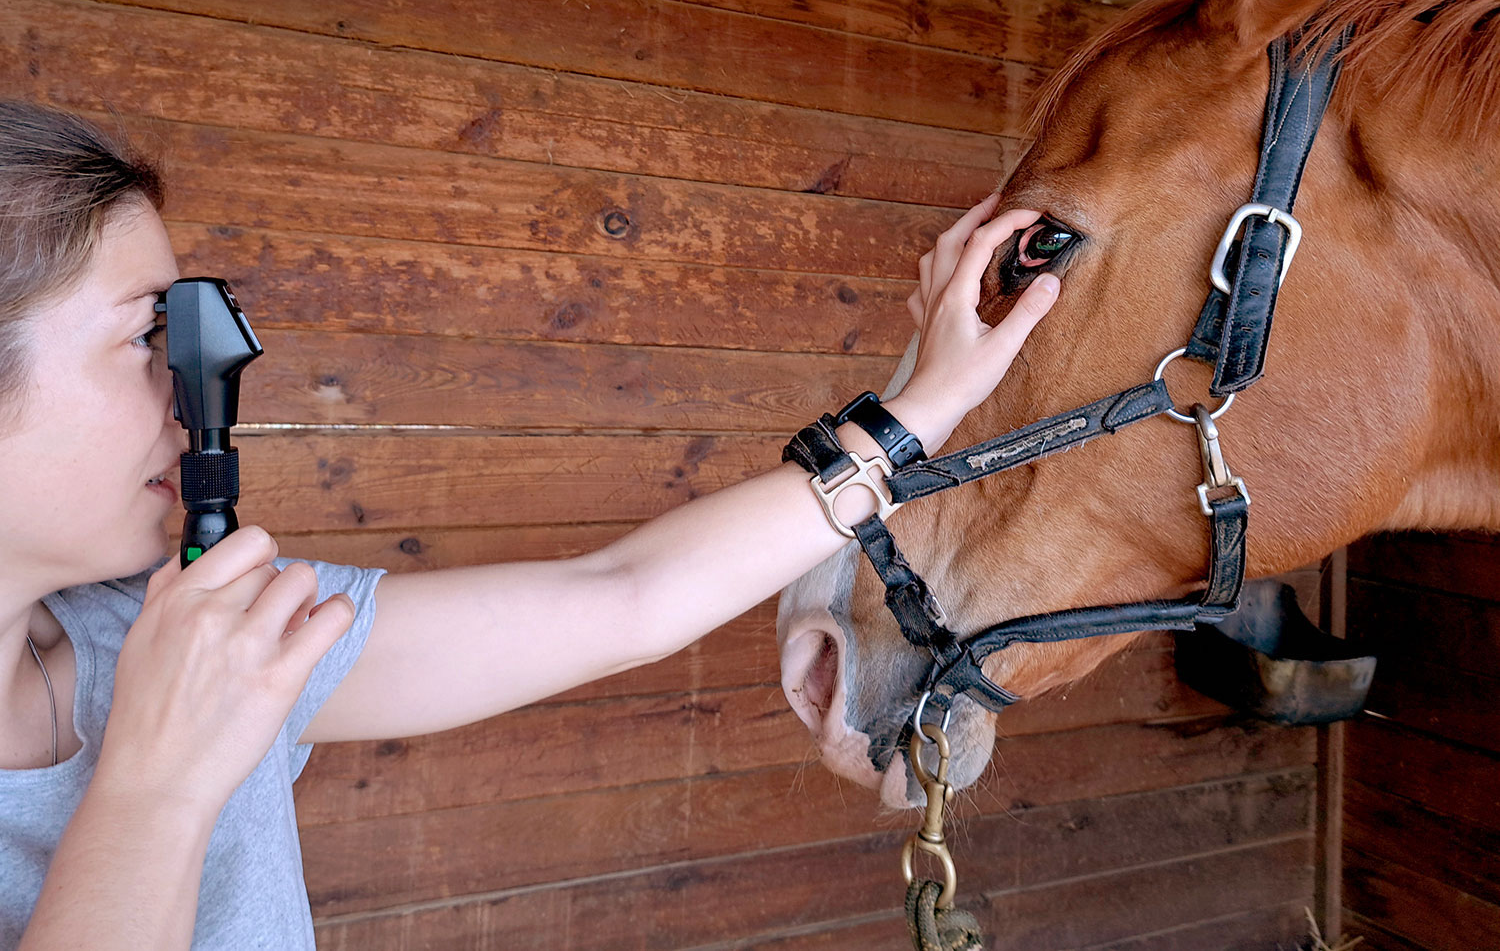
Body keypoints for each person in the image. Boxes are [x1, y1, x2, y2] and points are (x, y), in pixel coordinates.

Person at [0, 100, 1059, 949]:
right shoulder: (190, 664)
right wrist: (156, 785)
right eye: (146, 336)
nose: (192, 389)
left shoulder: (179, 637)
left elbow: (623, 599)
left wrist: (919, 410)